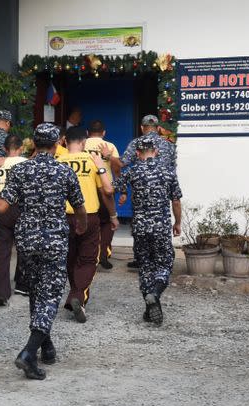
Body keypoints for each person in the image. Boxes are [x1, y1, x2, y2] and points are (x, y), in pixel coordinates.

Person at [0, 123, 86, 381]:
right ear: (57, 143)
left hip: (27, 239)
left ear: (34, 144)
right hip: (54, 240)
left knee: (37, 290)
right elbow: (79, 206)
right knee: (50, 295)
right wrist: (82, 224)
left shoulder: (20, 169)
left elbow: (2, 207)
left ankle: (46, 347)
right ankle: (29, 352)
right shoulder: (64, 171)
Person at [113, 136, 182, 325]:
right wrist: (178, 223)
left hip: (140, 228)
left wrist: (124, 190)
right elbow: (175, 201)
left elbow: (115, 188)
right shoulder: (168, 172)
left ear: (137, 153)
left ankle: (149, 307)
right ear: (156, 151)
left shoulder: (132, 171)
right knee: (165, 262)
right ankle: (155, 293)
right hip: (160, 227)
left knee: (145, 266)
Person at [58, 127, 119, 323]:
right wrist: (101, 166)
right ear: (83, 143)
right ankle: (77, 296)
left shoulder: (58, 163)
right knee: (88, 259)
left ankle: (77, 295)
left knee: (70, 259)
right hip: (89, 217)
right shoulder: (92, 161)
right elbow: (108, 191)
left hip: (64, 217)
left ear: (65, 142)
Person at [120, 115, 177, 269]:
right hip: (163, 188)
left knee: (140, 222)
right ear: (158, 128)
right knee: (162, 224)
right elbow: (173, 167)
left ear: (142, 128)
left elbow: (123, 163)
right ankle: (163, 260)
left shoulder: (137, 143)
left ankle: (141, 258)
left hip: (142, 189)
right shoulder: (168, 144)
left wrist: (107, 159)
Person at [0, 134, 26, 305]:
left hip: (1, 207)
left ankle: (1, 293)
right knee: (24, 246)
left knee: (1, 251)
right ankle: (23, 285)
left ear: (4, 149)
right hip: (22, 208)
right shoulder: (26, 163)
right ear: (21, 148)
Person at [85, 120, 121, 269]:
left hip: (86, 188)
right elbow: (117, 167)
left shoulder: (81, 144)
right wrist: (119, 184)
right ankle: (103, 256)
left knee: (87, 222)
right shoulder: (110, 146)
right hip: (105, 189)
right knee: (107, 223)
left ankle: (88, 255)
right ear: (104, 133)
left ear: (87, 133)